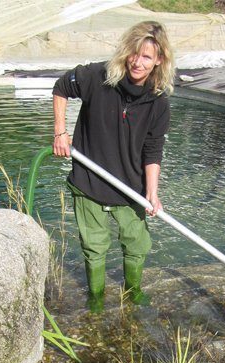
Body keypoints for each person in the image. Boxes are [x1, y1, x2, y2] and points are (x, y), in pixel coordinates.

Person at [52, 20, 175, 313]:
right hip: (89, 181)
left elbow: (153, 150)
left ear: (159, 60)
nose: (137, 62)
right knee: (94, 248)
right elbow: (60, 87)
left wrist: (152, 193)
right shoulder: (98, 76)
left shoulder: (158, 102)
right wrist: (60, 131)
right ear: (125, 51)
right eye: (134, 53)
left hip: (131, 189)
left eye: (147, 56)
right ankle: (95, 297)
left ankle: (133, 291)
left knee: (137, 245)